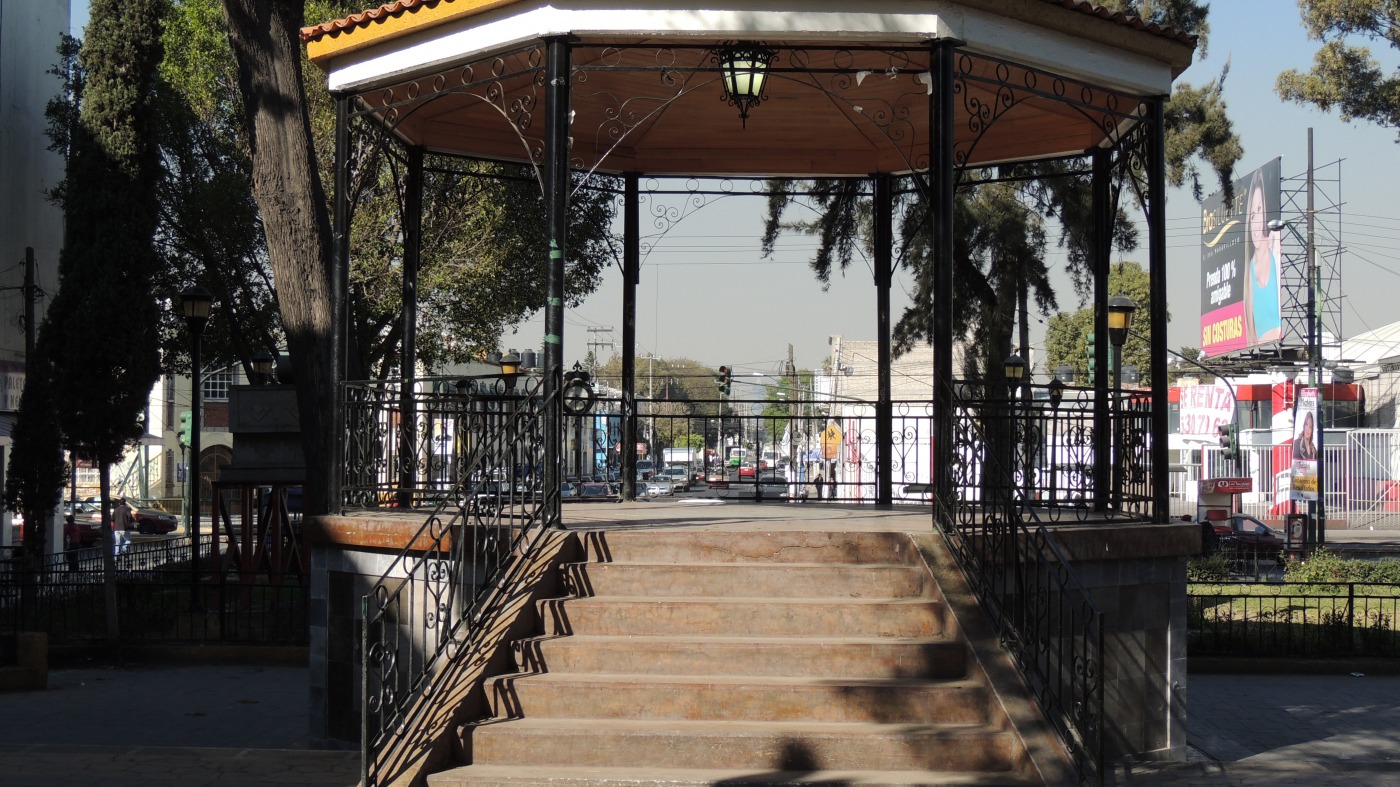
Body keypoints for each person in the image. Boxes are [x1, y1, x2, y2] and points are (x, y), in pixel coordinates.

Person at [1243, 169, 1283, 346]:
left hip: (1278, 346)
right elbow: (1251, 335)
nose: (1257, 221)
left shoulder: (1275, 242)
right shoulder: (1249, 270)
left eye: (1260, 210)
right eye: (1252, 215)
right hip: (1264, 356)